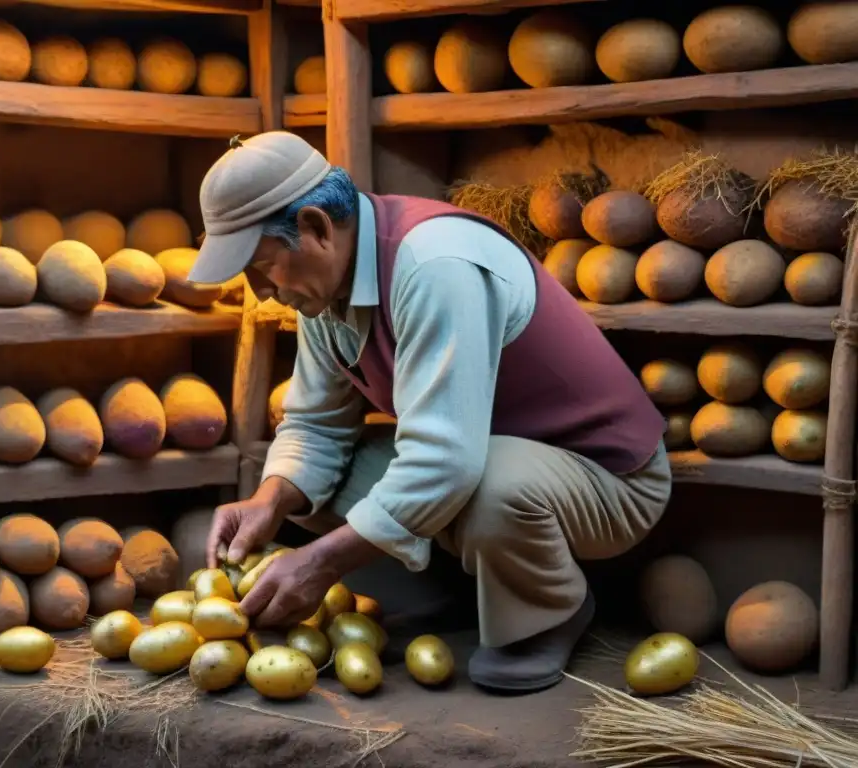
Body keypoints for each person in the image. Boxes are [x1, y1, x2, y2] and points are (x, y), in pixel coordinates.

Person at [188, 131, 672, 693]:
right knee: (318, 483)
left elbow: (445, 463)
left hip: (605, 479)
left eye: (262, 267)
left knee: (490, 487)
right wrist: (269, 498)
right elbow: (316, 424)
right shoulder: (323, 289)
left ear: (316, 228)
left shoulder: (434, 263)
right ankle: (458, 592)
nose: (262, 291)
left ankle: (549, 613)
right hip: (483, 456)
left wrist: (321, 563)